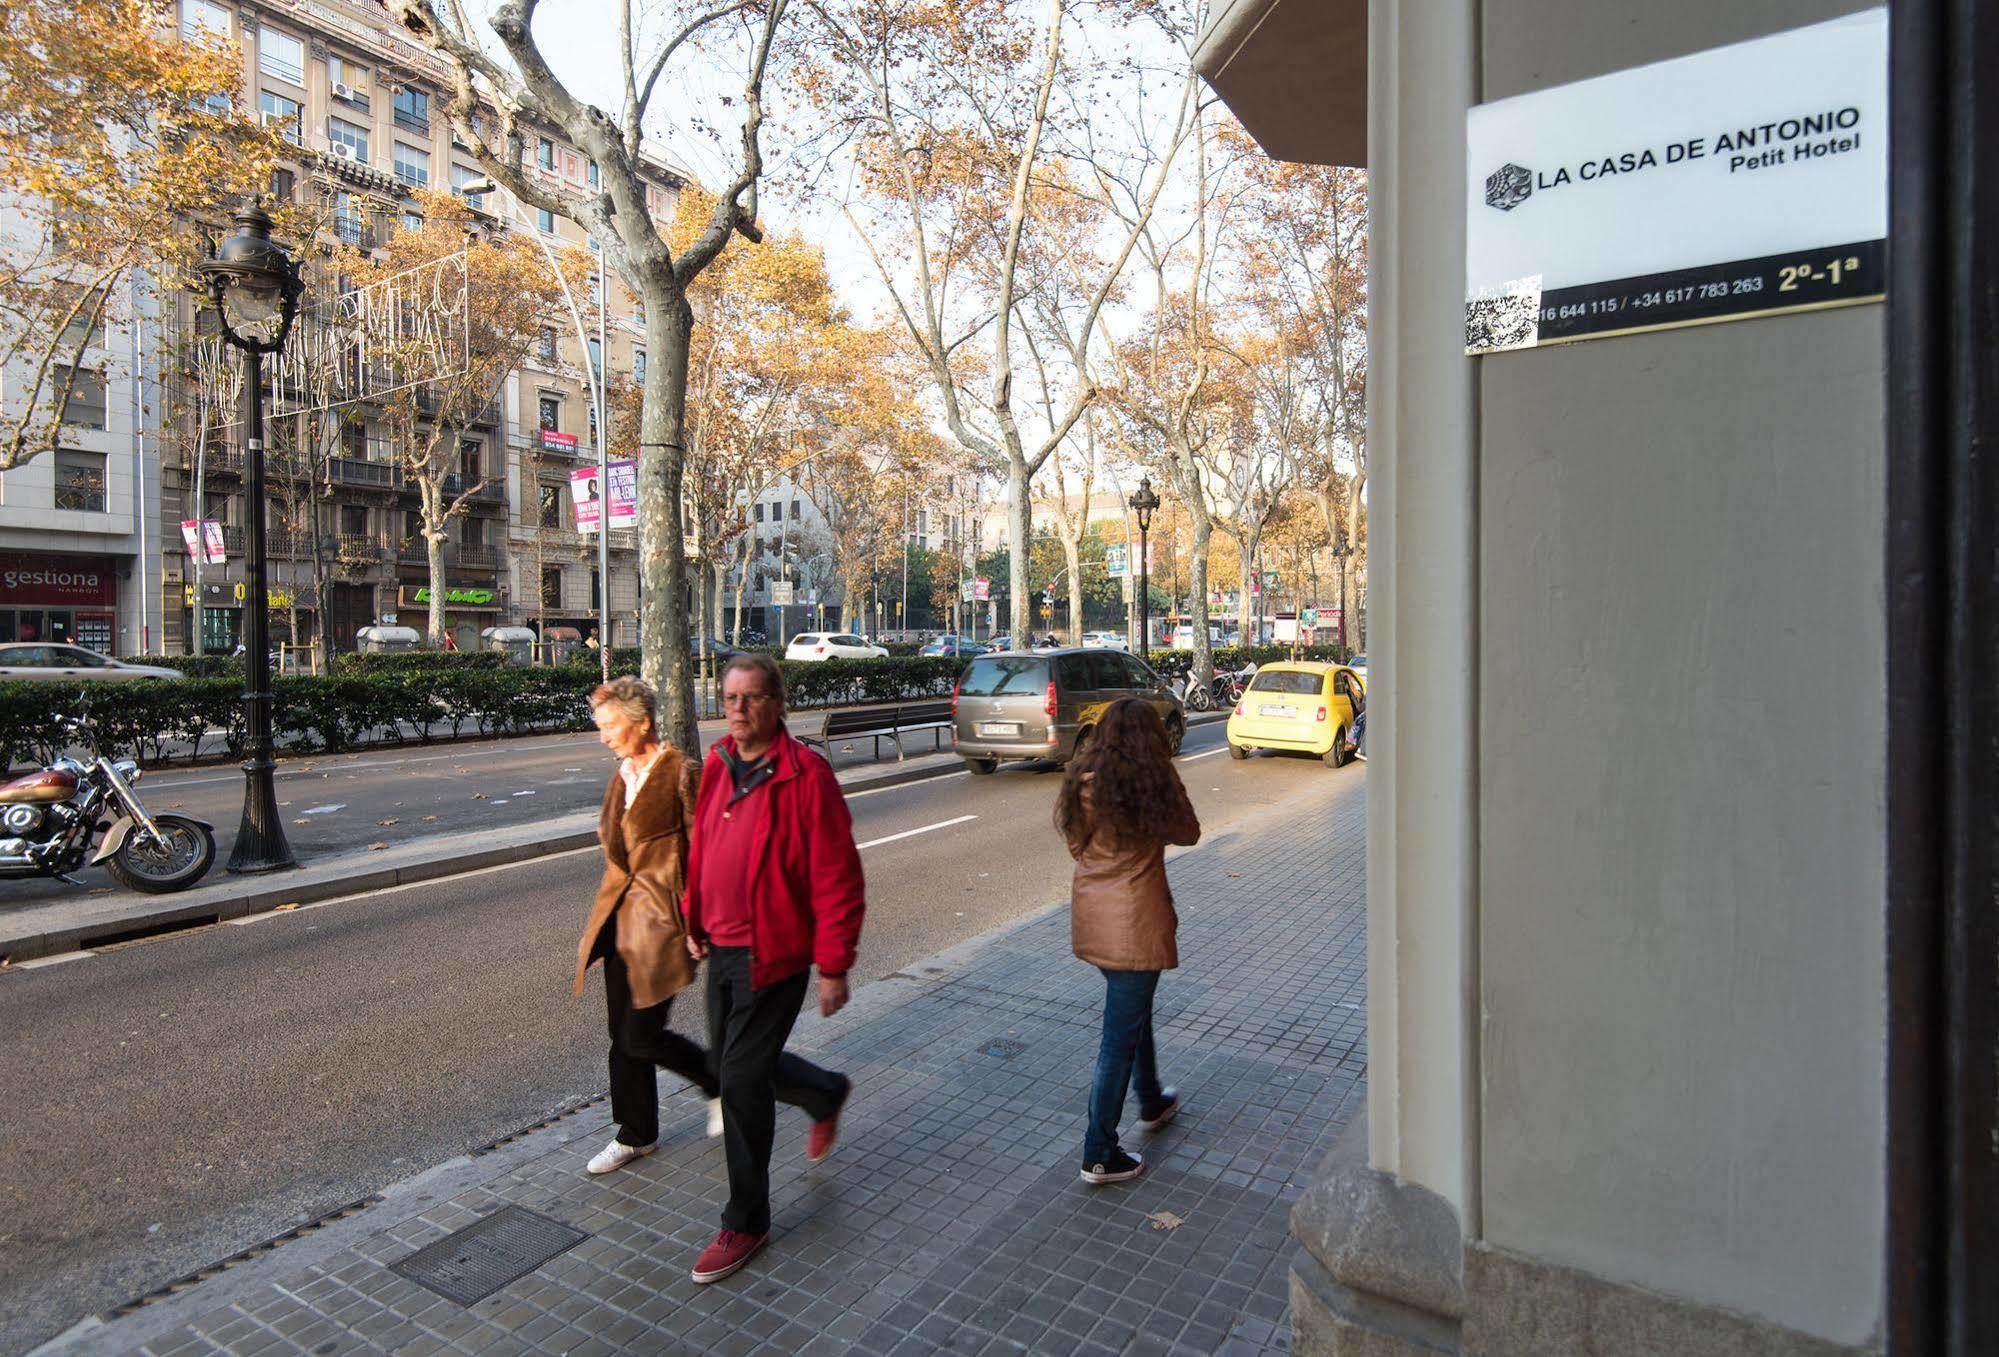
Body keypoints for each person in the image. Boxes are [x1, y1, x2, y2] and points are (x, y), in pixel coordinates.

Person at [682, 653, 864, 1284]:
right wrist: (693, 914)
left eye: (751, 698)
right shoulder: (718, 763)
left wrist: (834, 964)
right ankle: (822, 1091)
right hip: (723, 947)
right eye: (730, 698)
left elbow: (837, 876)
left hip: (774, 954)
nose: (737, 709)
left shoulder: (805, 775)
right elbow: (704, 840)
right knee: (728, 1064)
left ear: (778, 703)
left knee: (737, 1077)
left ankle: (746, 1220)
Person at [574, 678, 721, 1176]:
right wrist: (604, 933)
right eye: (601, 727)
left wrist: (698, 922)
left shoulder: (683, 773)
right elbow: (617, 858)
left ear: (641, 724)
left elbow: (707, 856)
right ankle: (636, 1134)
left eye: (610, 727)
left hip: (663, 923)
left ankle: (714, 1079)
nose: (603, 736)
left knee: (641, 1036)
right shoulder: (623, 774)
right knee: (622, 1035)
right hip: (622, 923)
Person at [1055, 696, 1201, 1185]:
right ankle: (1099, 1152)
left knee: (1131, 1014)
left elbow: (1077, 845)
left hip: (1092, 914)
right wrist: (1166, 783)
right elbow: (1190, 832)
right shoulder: (1151, 783)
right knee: (1117, 1039)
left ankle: (1152, 1098)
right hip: (1136, 919)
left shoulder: (1082, 780)